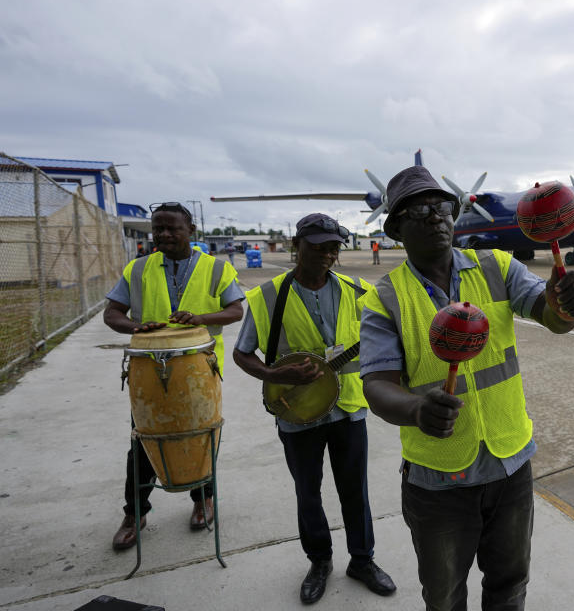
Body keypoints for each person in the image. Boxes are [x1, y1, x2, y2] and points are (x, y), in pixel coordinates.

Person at [359, 166, 574, 610]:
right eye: (420, 210)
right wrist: (415, 410)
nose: (436, 217)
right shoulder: (383, 298)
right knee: (445, 597)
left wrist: (568, 306)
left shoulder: (497, 266)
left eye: (443, 206)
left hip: (510, 466)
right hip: (439, 483)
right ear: (395, 229)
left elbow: (553, 318)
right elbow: (377, 386)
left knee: (510, 586)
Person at [233, 212, 396, 605]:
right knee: (308, 493)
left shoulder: (358, 290)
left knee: (355, 491)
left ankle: (362, 560)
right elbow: (242, 354)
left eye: (332, 248)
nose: (326, 254)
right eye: (317, 246)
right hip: (297, 414)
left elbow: (377, 341)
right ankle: (319, 561)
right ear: (296, 246)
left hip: (349, 409)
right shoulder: (268, 296)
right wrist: (275, 372)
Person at [103, 202, 244, 551]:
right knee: (143, 441)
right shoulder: (137, 269)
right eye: (158, 228)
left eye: (172, 228)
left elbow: (235, 310)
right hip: (149, 371)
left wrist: (201, 318)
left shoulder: (215, 269)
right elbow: (112, 314)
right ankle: (135, 513)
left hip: (199, 369)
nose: (164, 234)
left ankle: (203, 500)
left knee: (201, 436)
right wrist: (136, 325)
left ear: (190, 231)